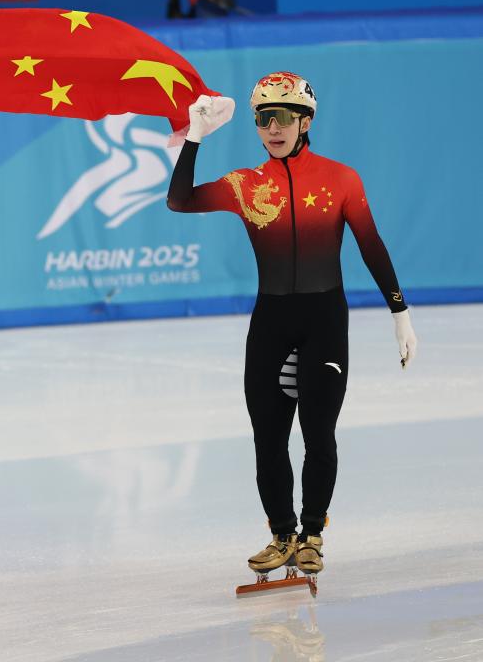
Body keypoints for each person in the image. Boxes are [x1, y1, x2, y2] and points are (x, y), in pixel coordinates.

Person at [166, 73, 417, 580]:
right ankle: (282, 534)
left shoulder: (341, 179)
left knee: (318, 434)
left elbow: (371, 245)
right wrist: (194, 137)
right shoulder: (245, 184)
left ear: (305, 122)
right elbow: (180, 199)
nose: (273, 129)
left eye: (283, 117)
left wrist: (400, 312)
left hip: (325, 320)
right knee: (268, 436)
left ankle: (312, 534)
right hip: (271, 322)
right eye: (263, 119)